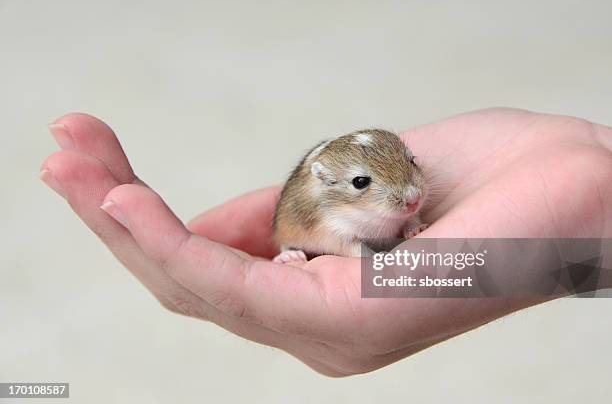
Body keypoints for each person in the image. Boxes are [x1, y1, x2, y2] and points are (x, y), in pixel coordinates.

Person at [39, 108, 612, 376]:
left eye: (410, 167)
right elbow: (346, 242)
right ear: (335, 187)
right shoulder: (325, 208)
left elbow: (406, 209)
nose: (411, 193)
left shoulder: (400, 189)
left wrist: (566, 238)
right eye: (369, 186)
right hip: (314, 236)